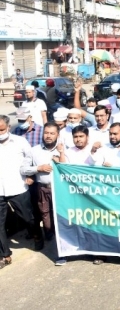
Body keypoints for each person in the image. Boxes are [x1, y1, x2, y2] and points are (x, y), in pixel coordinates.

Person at [0, 114, 44, 269]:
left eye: (1, 129)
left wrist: (31, 175)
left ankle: (37, 235)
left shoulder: (20, 142)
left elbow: (30, 159)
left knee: (28, 217)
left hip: (18, 186)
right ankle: (5, 255)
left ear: (8, 127)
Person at [21, 122, 65, 243]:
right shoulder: (34, 151)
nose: (48, 136)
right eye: (46, 133)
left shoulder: (63, 149)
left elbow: (69, 168)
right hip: (42, 188)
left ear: (58, 135)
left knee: (60, 213)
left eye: (52, 133)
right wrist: (38, 168)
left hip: (60, 189)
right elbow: (23, 169)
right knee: (45, 213)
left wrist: (61, 155)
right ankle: (49, 236)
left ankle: (62, 237)